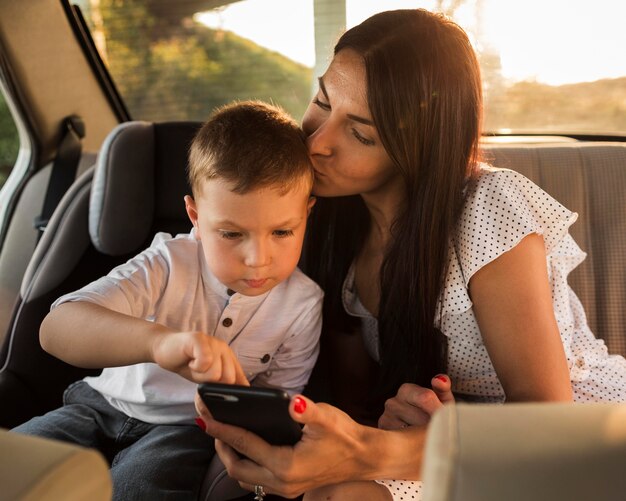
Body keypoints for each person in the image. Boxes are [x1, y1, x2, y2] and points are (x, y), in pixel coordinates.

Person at [194, 8, 626, 501]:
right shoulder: (318, 220)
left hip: (573, 436)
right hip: (447, 433)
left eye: (360, 134)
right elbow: (359, 396)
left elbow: (547, 421)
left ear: (417, 147)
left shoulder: (488, 207)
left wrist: (368, 448)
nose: (316, 142)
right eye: (321, 100)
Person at [12, 100, 323, 500]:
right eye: (231, 234)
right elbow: (55, 330)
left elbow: (274, 413)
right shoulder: (167, 263)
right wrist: (160, 344)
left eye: (282, 232)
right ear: (194, 216)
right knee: (18, 465)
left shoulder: (302, 306)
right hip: (96, 406)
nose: (257, 259)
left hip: (186, 430)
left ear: (306, 215)